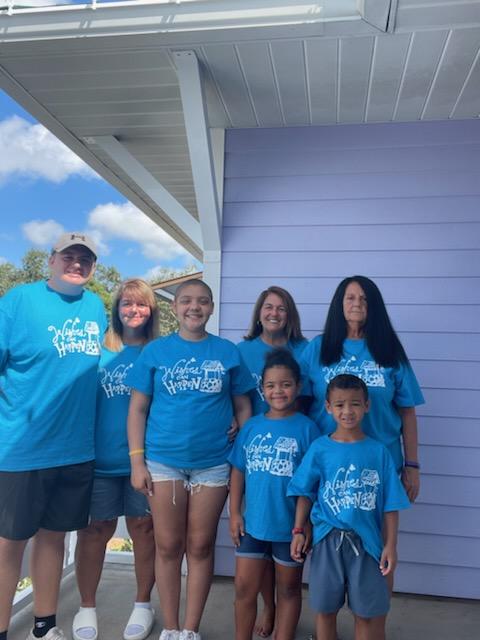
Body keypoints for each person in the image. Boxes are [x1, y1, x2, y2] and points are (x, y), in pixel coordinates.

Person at [127, 279, 254, 640]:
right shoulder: (156, 352)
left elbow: (243, 405)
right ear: (174, 308)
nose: (193, 307)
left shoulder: (227, 352)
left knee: (200, 546)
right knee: (168, 545)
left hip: (213, 463)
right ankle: (169, 626)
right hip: (163, 461)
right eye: (186, 301)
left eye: (201, 301)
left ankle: (189, 629)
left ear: (212, 307)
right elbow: (137, 409)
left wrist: (240, 441)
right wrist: (137, 462)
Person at [0, 232, 107, 640]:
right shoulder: (18, 301)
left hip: (76, 449)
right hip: (21, 449)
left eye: (85, 259)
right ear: (52, 260)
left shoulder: (96, 306)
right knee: (9, 544)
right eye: (69, 256)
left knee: (53, 540)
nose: (76, 263)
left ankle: (44, 627)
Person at [288, 374, 410, 640]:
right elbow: (305, 492)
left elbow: (390, 503)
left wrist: (391, 545)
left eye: (355, 404)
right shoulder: (320, 449)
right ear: (328, 407)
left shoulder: (378, 452)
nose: (347, 411)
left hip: (367, 544)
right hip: (326, 540)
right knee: (325, 610)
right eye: (340, 404)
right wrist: (299, 530)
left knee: (366, 614)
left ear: (367, 405)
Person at [73, 279, 160, 640]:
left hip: (148, 461)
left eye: (141, 305)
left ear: (151, 310)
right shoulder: (97, 352)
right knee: (95, 531)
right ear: (117, 309)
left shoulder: (158, 352)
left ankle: (143, 604)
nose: (134, 311)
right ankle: (86, 606)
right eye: (127, 304)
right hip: (100, 459)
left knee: (144, 530)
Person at [300, 276, 424, 502]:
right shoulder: (317, 347)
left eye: (364, 299)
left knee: (374, 534)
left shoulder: (389, 349)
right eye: (350, 298)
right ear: (339, 304)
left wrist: (412, 464)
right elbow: (296, 403)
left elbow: (407, 411)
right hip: (327, 461)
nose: (357, 303)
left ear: (374, 307)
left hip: (378, 462)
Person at [229, 349, 319, 640]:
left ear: (298, 386)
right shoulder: (252, 426)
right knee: (244, 588)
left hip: (290, 527)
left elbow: (312, 482)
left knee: (289, 589)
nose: (278, 391)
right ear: (262, 388)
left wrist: (303, 526)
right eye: (270, 385)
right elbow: (239, 470)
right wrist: (234, 513)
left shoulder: (308, 430)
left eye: (285, 384)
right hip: (254, 523)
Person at [237, 285, 309, 637]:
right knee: (254, 573)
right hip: (257, 467)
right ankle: (269, 610)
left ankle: (281, 622)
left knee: (287, 582)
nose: (274, 313)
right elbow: (233, 398)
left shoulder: (304, 351)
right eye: (268, 306)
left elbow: (310, 402)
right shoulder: (244, 351)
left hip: (289, 496)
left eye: (282, 307)